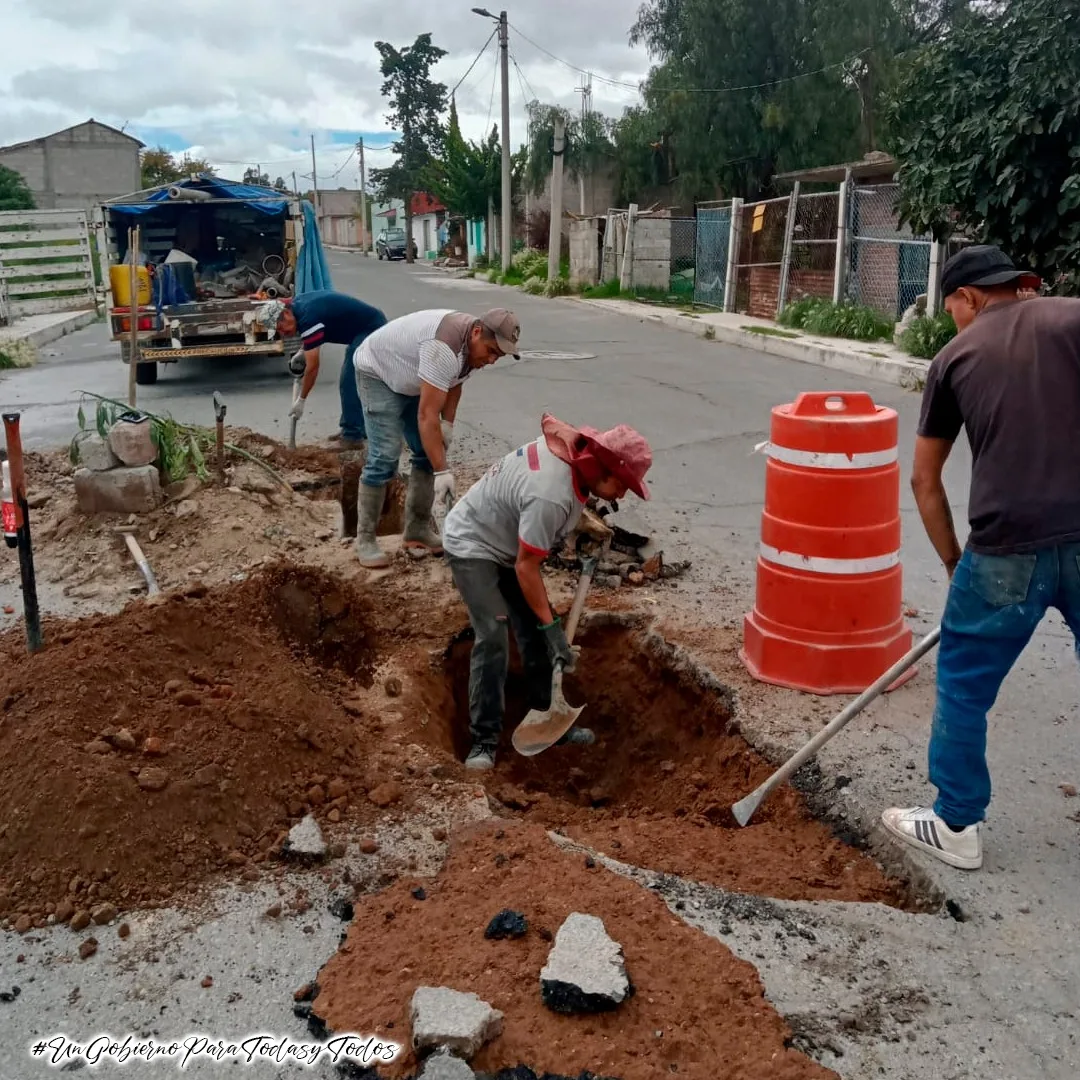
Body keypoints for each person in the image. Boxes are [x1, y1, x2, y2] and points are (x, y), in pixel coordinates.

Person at [881, 244, 1080, 871]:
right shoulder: (1073, 318)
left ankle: (956, 822)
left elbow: (923, 479)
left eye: (951, 309)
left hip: (1004, 549)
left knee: (964, 685)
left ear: (968, 298)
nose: (953, 322)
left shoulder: (954, 357)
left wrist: (952, 562)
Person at [442, 413, 653, 770]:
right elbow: (527, 565)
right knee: (494, 632)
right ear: (603, 468)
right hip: (473, 544)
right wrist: (551, 629)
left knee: (539, 629)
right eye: (622, 485)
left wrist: (546, 627)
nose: (622, 495)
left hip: (508, 543)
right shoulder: (551, 496)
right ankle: (484, 740)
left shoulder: (573, 457)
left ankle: (549, 715)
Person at [351, 306, 521, 568]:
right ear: (477, 332)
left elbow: (455, 382)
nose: (492, 360)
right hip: (379, 371)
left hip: (412, 376)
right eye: (492, 351)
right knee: (384, 454)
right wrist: (442, 472)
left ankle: (417, 529)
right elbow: (426, 415)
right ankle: (365, 539)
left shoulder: (474, 350)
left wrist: (448, 425)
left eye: (499, 355)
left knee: (428, 450)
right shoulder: (443, 348)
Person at [258, 292, 387, 446]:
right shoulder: (298, 308)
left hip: (372, 328)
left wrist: (301, 400)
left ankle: (352, 436)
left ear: (286, 313)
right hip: (362, 330)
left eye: (280, 327)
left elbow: (312, 367)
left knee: (349, 381)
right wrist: (302, 351)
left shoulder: (308, 316)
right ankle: (355, 428)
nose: (282, 334)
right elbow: (319, 328)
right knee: (351, 380)